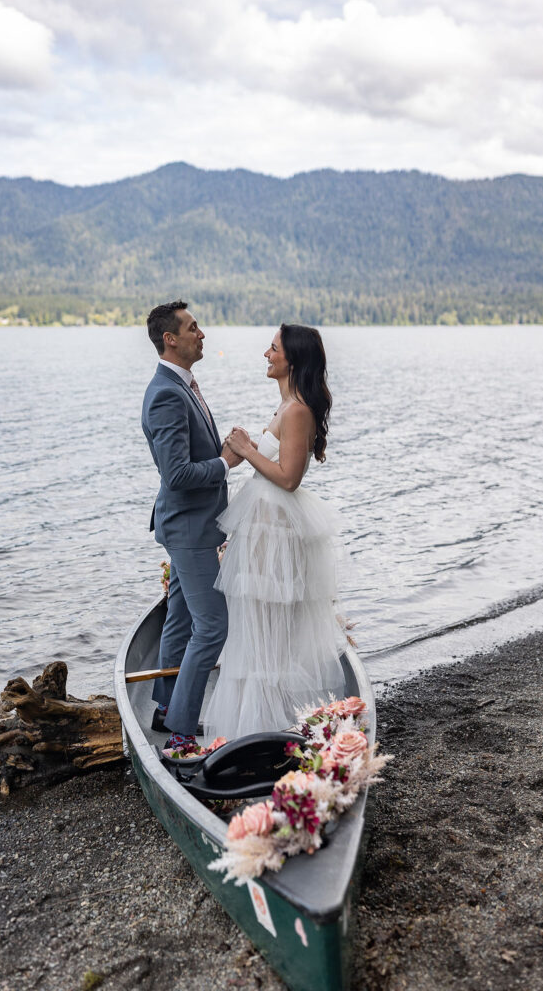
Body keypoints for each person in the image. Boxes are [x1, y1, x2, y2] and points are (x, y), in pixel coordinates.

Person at [203, 323, 347, 741]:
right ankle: (258, 730)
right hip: (264, 534)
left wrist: (247, 451)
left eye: (273, 348)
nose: (266, 355)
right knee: (254, 635)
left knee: (269, 638)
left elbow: (288, 479)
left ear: (293, 359)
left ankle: (270, 731)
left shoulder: (298, 410)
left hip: (278, 537)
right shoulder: (285, 407)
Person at [141, 300, 242, 754]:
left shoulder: (182, 385)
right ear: (171, 338)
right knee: (212, 627)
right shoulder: (166, 393)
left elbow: (185, 462)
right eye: (194, 327)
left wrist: (220, 451)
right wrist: (224, 461)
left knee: (180, 621)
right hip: (189, 530)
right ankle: (181, 727)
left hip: (194, 526)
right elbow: (176, 475)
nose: (202, 334)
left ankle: (164, 708)